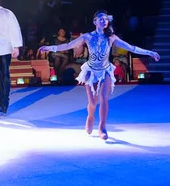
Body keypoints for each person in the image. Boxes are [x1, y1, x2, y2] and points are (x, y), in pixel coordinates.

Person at [39, 10, 159, 140]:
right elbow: (69, 45)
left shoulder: (111, 37)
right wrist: (50, 48)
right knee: (93, 101)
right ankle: (90, 116)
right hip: (90, 70)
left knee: (103, 98)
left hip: (105, 70)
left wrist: (149, 53)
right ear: (95, 21)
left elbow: (131, 48)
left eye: (106, 19)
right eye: (101, 18)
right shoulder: (87, 37)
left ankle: (102, 127)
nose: (104, 21)